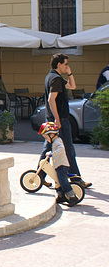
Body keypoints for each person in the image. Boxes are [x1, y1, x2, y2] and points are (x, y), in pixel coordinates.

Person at [40, 54, 92, 188]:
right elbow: (51, 99)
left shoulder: (51, 77)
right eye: (65, 64)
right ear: (59, 64)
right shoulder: (56, 79)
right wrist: (57, 119)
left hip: (52, 118)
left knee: (48, 147)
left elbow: (72, 86)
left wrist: (70, 73)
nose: (67, 66)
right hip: (59, 119)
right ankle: (76, 179)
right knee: (68, 148)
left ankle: (39, 177)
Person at [38, 122, 80, 206]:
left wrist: (52, 153)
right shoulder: (54, 142)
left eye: (46, 137)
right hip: (58, 165)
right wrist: (51, 152)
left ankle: (72, 197)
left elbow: (61, 149)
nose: (46, 139)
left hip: (62, 165)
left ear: (51, 135)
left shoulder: (58, 141)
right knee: (57, 181)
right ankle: (61, 196)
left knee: (62, 180)